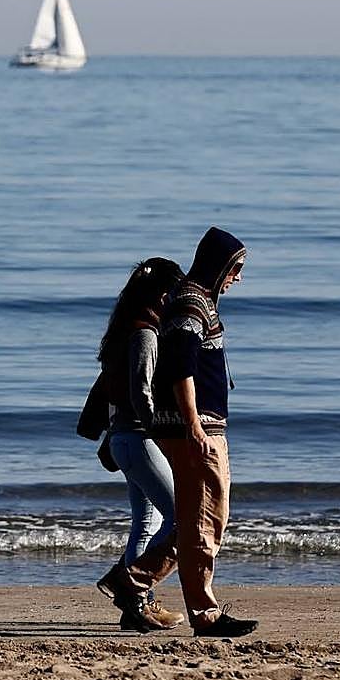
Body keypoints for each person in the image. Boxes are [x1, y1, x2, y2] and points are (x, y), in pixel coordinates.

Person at [150, 226, 257, 637]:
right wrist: (194, 422)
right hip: (194, 428)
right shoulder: (193, 303)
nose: (238, 278)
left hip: (197, 426)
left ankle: (135, 580)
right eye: (236, 268)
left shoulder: (198, 300)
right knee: (206, 519)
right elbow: (181, 366)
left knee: (202, 517)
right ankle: (205, 613)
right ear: (219, 265)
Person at [92, 257, 187, 632]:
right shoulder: (145, 334)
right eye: (175, 294)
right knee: (183, 519)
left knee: (146, 522)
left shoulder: (123, 329)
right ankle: (129, 584)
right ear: (164, 295)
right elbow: (141, 392)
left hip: (123, 438)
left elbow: (111, 390)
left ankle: (136, 607)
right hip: (138, 437)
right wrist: (162, 435)